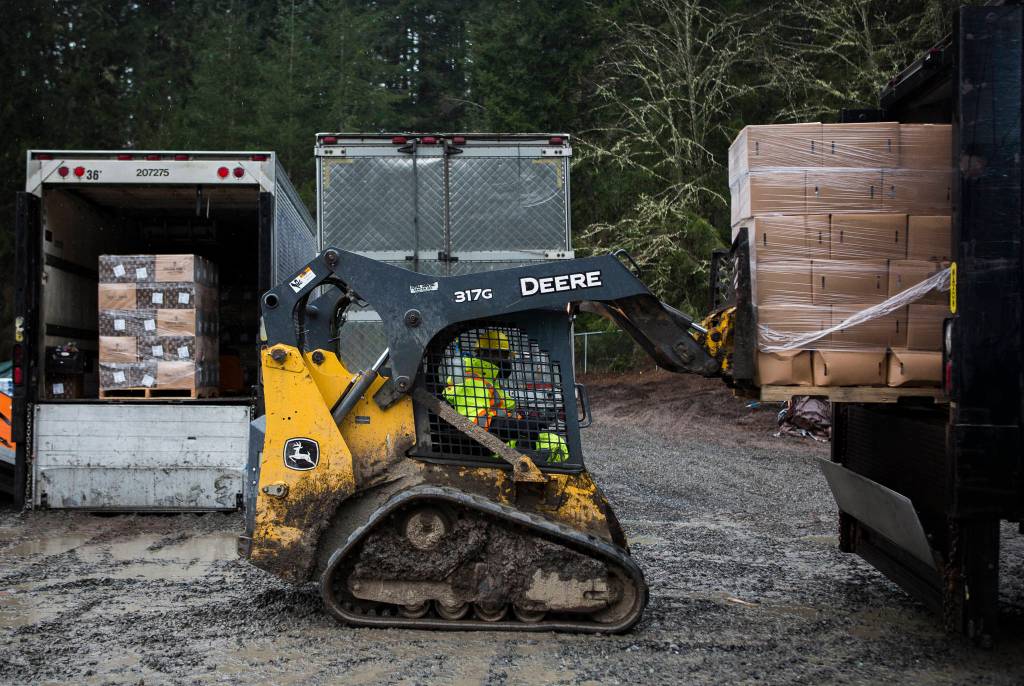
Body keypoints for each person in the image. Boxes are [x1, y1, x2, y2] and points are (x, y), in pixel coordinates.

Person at [443, 330, 568, 463]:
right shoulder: (472, 382)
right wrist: (521, 426)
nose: (507, 360)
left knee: (550, 440)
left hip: (499, 439)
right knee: (553, 443)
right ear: (490, 353)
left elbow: (503, 411)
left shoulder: (488, 380)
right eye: (505, 355)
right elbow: (477, 421)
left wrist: (525, 418)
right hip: (491, 448)